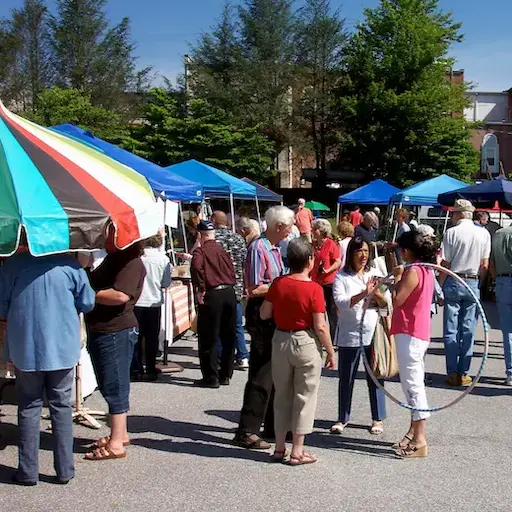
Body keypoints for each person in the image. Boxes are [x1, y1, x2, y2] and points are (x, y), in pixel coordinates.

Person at [0, 240, 95, 485]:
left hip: (25, 347)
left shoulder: (13, 265)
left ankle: (28, 471)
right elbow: (88, 302)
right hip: (61, 347)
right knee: (61, 407)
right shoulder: (70, 266)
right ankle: (64, 470)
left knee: (29, 407)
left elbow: (1, 306)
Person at [260, 239, 336, 465]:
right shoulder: (314, 288)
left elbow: (265, 313)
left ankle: (279, 447)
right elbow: (320, 325)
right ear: (310, 260)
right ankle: (297, 450)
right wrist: (331, 352)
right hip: (305, 341)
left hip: (281, 338)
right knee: (304, 396)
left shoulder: (278, 283)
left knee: (282, 394)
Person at [234, 206, 295, 449]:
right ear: (279, 226)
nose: (291, 232)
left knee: (276, 372)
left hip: (273, 313)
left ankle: (273, 425)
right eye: (289, 227)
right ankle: (247, 430)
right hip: (261, 314)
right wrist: (284, 286)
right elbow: (254, 287)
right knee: (261, 373)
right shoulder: (259, 248)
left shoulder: (274, 249)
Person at [85, 225, 146, 461]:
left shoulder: (131, 262)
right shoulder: (117, 258)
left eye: (109, 231)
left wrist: (88, 293)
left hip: (115, 329)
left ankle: (117, 442)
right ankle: (119, 434)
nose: (104, 235)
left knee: (115, 384)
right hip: (106, 328)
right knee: (111, 382)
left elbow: (120, 295)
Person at [331, 237, 387, 436]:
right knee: (346, 377)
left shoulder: (375, 273)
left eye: (366, 251)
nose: (363, 255)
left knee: (375, 376)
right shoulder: (341, 277)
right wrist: (365, 293)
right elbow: (341, 302)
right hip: (350, 333)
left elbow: (386, 302)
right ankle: (342, 417)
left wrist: (377, 294)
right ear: (351, 254)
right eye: (359, 251)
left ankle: (378, 418)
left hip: (372, 332)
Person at [390, 231, 435, 457]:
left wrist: (397, 278)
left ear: (406, 251)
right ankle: (412, 432)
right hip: (418, 331)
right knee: (412, 382)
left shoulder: (413, 271)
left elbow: (398, 300)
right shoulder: (427, 269)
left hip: (410, 331)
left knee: (413, 384)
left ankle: (419, 439)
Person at [440, 199, 491, 387]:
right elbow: (484, 265)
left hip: (454, 278)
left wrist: (439, 286)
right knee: (468, 329)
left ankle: (452, 371)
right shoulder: (483, 233)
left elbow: (445, 263)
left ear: (459, 213)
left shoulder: (451, 233)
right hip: (473, 280)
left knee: (451, 328)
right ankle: (464, 372)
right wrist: (480, 284)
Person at [191, 220, 237, 388]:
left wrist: (200, 288)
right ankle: (225, 374)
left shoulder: (200, 252)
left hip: (213, 293)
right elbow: (231, 270)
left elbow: (196, 268)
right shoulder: (222, 251)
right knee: (228, 335)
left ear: (200, 235)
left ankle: (211, 377)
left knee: (208, 336)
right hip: (229, 292)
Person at [130, 233, 172, 382]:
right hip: (154, 301)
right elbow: (166, 283)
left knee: (136, 337)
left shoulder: (137, 257)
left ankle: (135, 369)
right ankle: (150, 367)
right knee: (151, 337)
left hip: (137, 301)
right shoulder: (163, 259)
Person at [212, 211, 249, 370]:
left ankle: (221, 357)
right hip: (237, 285)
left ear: (213, 220)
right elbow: (244, 264)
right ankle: (242, 355)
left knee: (219, 323)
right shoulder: (238, 238)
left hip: (218, 286)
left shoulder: (213, 239)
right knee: (236, 323)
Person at [311, 219, 341, 340]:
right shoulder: (312, 244)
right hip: (315, 281)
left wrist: (328, 270)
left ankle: (335, 338)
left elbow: (338, 261)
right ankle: (319, 334)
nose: (312, 230)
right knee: (317, 310)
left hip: (329, 281)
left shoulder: (330, 244)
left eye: (315, 229)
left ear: (321, 230)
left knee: (332, 311)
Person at [490, 224, 512, 385]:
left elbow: (491, 262)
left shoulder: (498, 234)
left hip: (503, 280)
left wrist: (495, 279)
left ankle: (511, 372)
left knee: (507, 329)